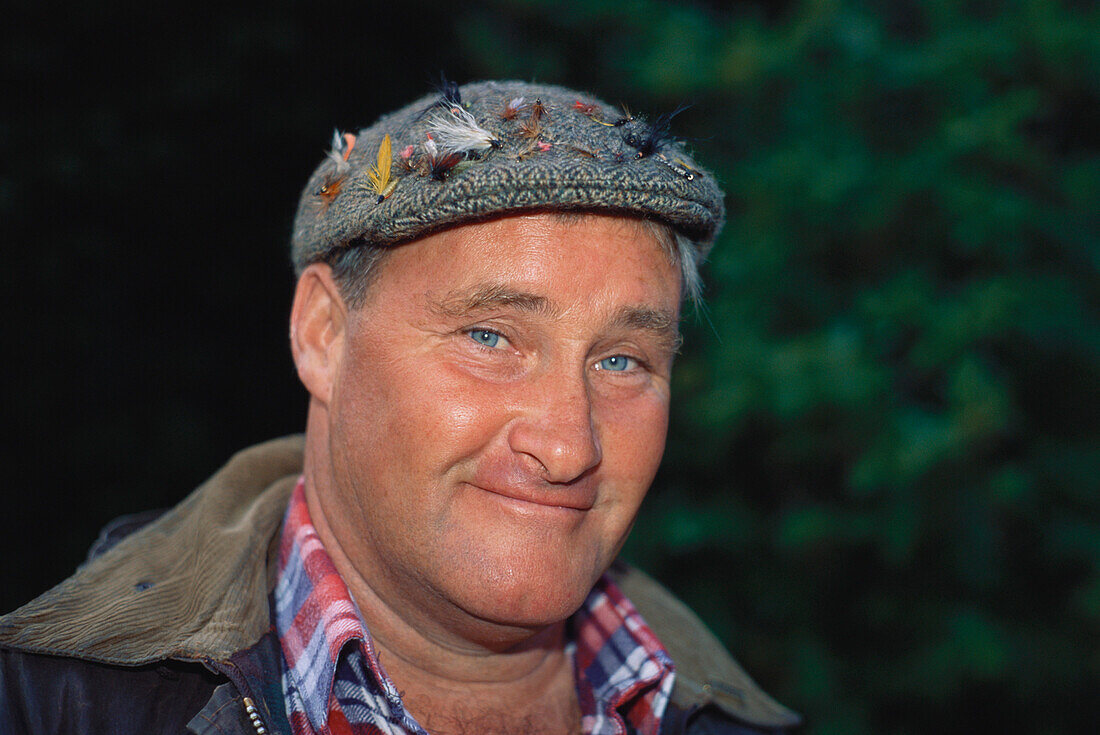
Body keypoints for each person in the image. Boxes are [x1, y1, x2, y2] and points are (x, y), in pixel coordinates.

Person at [0, 80, 800, 735]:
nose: (567, 446)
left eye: (622, 360)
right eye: (490, 336)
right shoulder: (49, 704)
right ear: (323, 334)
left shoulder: (726, 716)